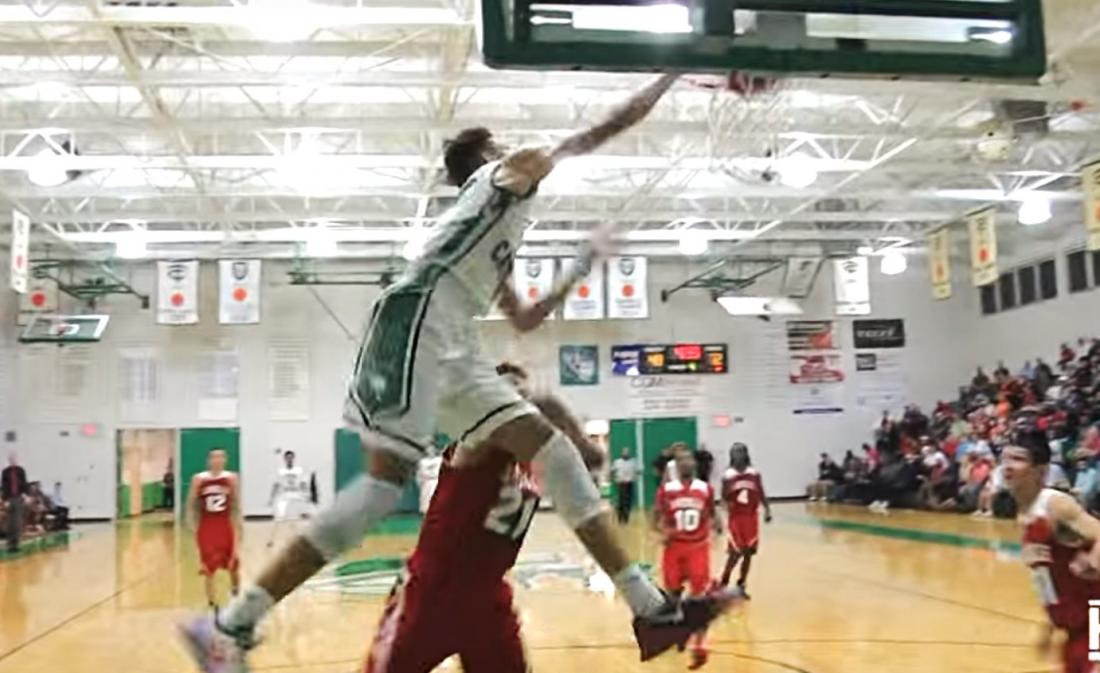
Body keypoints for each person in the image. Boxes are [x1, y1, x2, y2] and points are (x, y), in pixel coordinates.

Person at [182, 73, 732, 672]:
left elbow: (524, 318)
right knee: (380, 488)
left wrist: (582, 265)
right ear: (490, 157)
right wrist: (675, 73)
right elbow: (599, 129)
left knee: (555, 453)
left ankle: (650, 610)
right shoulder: (500, 176)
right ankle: (229, 626)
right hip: (418, 315)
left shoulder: (491, 231)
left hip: (454, 340)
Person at [367, 364, 605, 672]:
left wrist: (553, 411)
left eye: (522, 391)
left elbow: (593, 459)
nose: (518, 398)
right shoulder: (474, 441)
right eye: (508, 390)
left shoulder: (537, 453)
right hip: (429, 595)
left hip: (487, 597)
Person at [1004, 428, 1100, 673]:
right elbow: (1047, 578)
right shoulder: (1024, 512)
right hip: (1075, 626)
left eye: (1018, 459)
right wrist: (1051, 622)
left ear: (1040, 471)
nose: (1008, 466)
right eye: (1005, 458)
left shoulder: (1055, 505)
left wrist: (1094, 560)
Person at [652, 445, 720, 670]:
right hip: (673, 548)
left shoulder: (705, 489)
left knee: (699, 598)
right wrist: (661, 532)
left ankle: (700, 644)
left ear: (695, 464)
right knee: (672, 597)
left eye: (689, 460)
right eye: (681, 461)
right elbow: (655, 515)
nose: (686, 464)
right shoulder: (667, 490)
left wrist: (718, 526)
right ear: (676, 466)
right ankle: (678, 633)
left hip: (697, 547)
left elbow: (712, 512)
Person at [187, 448, 242, 608]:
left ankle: (236, 593)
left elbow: (235, 504)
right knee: (208, 565)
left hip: (225, 524)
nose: (217, 460)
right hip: (207, 525)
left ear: (225, 460)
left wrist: (239, 525)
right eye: (214, 457)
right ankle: (212, 601)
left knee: (233, 563)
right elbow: (191, 502)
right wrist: (192, 522)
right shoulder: (198, 479)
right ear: (209, 460)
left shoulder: (231, 478)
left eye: (221, 457)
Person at [719, 443, 771, 597]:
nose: (738, 455)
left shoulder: (754, 473)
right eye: (734, 452)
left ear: (746, 454)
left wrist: (767, 509)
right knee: (735, 553)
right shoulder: (727, 475)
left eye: (740, 452)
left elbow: (761, 492)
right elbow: (723, 497)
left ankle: (741, 584)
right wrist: (725, 506)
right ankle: (724, 581)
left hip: (751, 517)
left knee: (748, 553)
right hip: (736, 518)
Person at [267, 450, 311, 548]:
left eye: (291, 457)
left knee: (294, 519)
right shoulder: (280, 471)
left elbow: (303, 484)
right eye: (288, 457)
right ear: (285, 459)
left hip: (295, 495)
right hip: (284, 495)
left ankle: (298, 541)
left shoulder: (299, 470)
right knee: (279, 517)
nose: (289, 459)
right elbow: (276, 485)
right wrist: (271, 498)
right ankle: (271, 540)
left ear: (293, 458)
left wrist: (306, 494)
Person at [2, 453, 29, 553]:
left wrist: (26, 495)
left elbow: (25, 483)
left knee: (17, 523)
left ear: (17, 460)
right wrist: (5, 500)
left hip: (18, 498)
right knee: (10, 523)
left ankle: (17, 544)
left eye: (14, 459)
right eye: (11, 459)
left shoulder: (21, 470)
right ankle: (10, 545)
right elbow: (4, 486)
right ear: (9, 460)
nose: (13, 460)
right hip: (9, 498)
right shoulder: (5, 472)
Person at [611, 448, 639, 524]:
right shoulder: (617, 462)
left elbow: (638, 471)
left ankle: (626, 519)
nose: (626, 454)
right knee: (621, 502)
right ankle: (620, 518)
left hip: (630, 483)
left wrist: (634, 476)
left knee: (628, 502)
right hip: (621, 483)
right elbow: (612, 471)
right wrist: (615, 479)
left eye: (627, 453)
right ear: (622, 454)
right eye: (624, 453)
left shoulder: (633, 462)